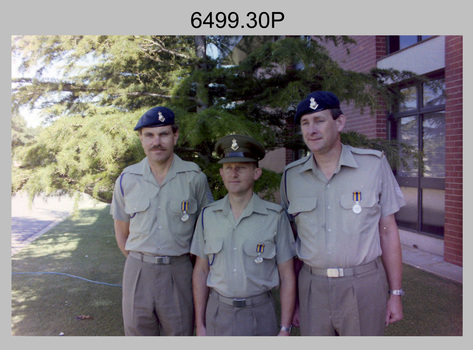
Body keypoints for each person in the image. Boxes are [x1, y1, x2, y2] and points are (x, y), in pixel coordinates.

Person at [280, 91, 406, 336]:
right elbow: (293, 241)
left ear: (339, 123)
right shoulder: (291, 176)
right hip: (312, 287)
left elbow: (388, 231)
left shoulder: (373, 164)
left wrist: (396, 294)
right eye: (305, 123)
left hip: (363, 285)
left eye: (319, 120)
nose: (311, 129)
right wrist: (295, 301)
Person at [110, 106, 213, 336]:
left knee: (180, 333)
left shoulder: (194, 178)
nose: (157, 141)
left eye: (163, 134)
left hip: (179, 271)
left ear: (175, 135)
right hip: (137, 270)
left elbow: (207, 232)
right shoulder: (127, 179)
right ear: (141, 138)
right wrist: (144, 261)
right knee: (137, 334)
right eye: (149, 135)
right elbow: (121, 234)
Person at [191, 134, 296, 336]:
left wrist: (285, 328)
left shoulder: (275, 217)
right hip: (218, 312)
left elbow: (287, 275)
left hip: (260, 313)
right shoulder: (208, 216)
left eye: (242, 167)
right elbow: (200, 272)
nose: (234, 173)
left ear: (256, 173)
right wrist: (200, 324)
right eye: (228, 168)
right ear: (221, 173)